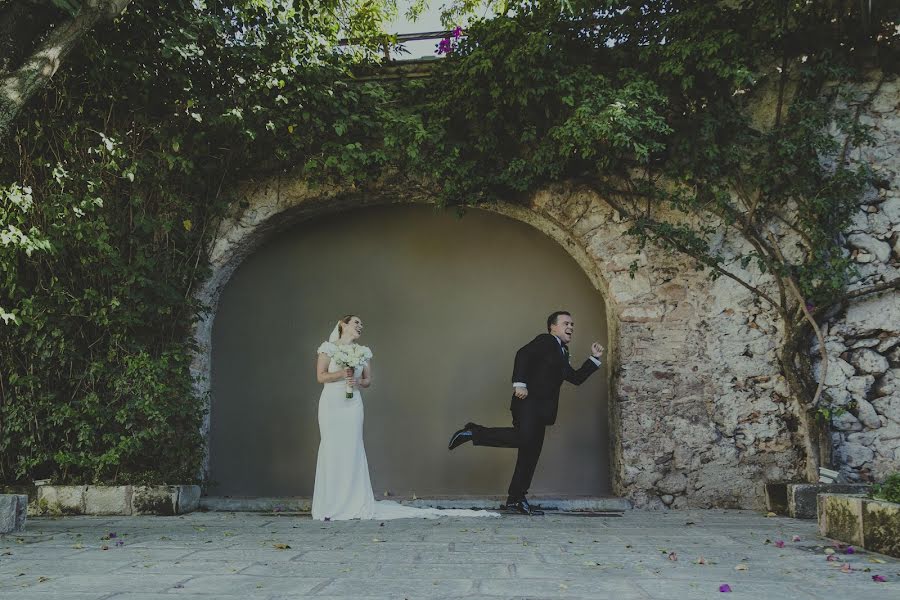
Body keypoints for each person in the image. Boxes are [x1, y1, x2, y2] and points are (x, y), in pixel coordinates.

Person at [312, 314, 497, 521]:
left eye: (362, 324)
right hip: (332, 403)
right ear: (343, 325)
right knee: (332, 446)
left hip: (353, 404)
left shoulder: (362, 352)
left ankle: (352, 501)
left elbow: (367, 381)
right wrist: (342, 374)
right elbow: (321, 377)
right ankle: (331, 503)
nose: (360, 326)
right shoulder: (328, 348)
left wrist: (356, 382)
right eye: (356, 322)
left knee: (352, 446)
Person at [448, 311, 603, 516]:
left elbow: (575, 377)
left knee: (530, 455)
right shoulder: (546, 341)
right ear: (552, 327)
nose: (571, 327)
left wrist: (594, 358)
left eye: (573, 324)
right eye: (566, 323)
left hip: (542, 411)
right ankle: (472, 432)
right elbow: (523, 354)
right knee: (524, 439)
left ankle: (516, 500)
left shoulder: (561, 351)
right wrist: (519, 383)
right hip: (527, 403)